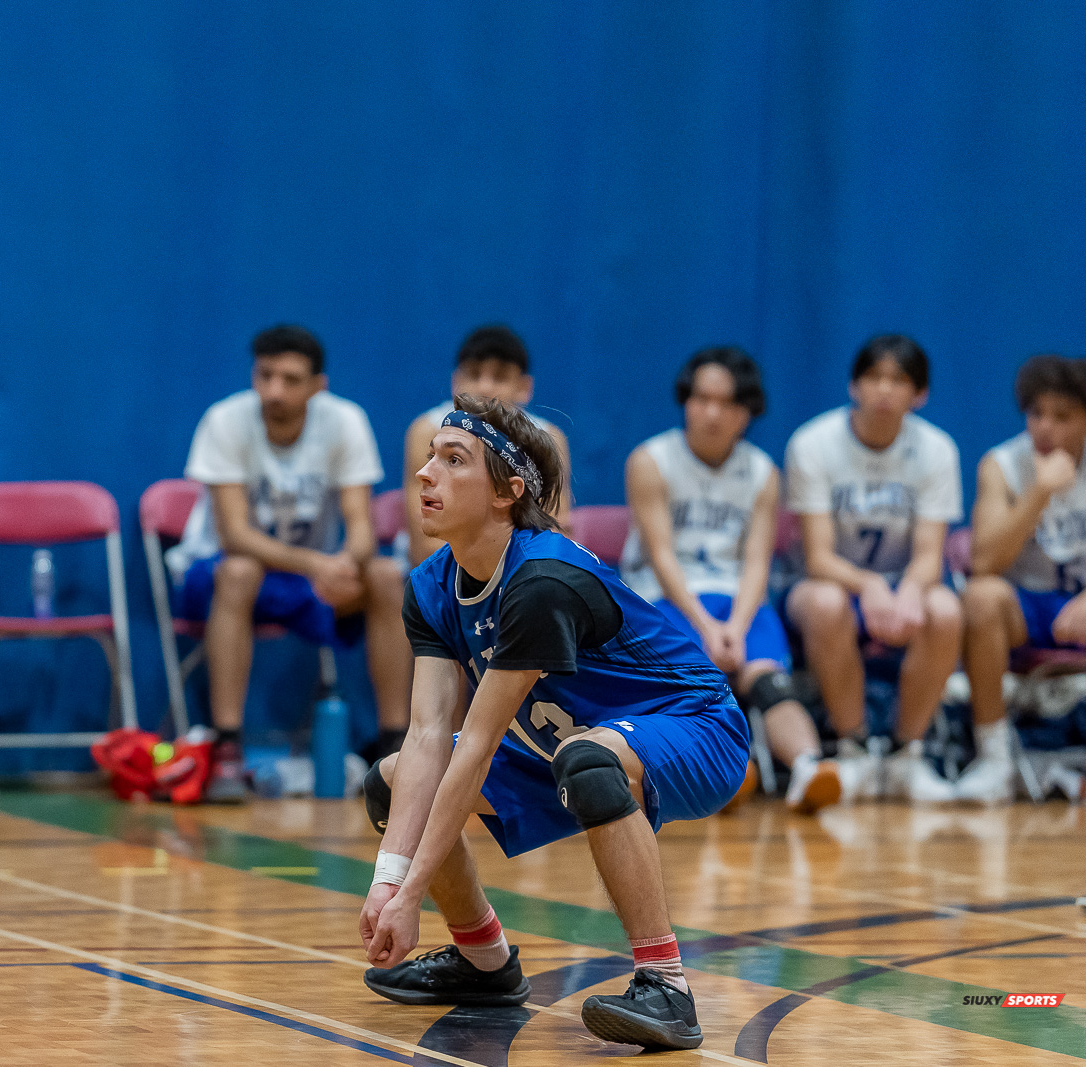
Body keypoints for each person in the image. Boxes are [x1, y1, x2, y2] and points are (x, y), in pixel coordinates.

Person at [358, 393, 749, 1052]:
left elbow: (475, 746)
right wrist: (388, 881)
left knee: (588, 762)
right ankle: (484, 960)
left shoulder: (541, 577)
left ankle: (666, 985)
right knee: (395, 779)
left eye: (453, 459)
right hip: (558, 745)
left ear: (507, 492)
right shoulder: (429, 584)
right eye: (428, 456)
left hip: (695, 726)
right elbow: (428, 736)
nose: (426, 473)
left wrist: (409, 892)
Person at [166, 324, 410, 803]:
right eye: (265, 376)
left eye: (290, 379)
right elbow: (235, 534)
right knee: (240, 571)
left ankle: (394, 748)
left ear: (318, 386)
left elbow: (361, 525)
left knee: (383, 575)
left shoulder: (345, 422)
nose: (274, 390)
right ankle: (229, 746)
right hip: (214, 574)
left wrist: (344, 563)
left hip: (307, 578)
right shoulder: (226, 420)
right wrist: (317, 566)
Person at [623, 347, 839, 813]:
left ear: (747, 412)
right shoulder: (651, 460)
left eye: (725, 403)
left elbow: (757, 562)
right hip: (666, 597)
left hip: (737, 600)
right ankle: (720, 769)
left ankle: (806, 768)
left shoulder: (762, 472)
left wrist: (737, 627)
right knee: (697, 676)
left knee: (766, 677)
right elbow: (661, 555)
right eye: (701, 399)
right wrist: (705, 627)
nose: (710, 413)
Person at [783, 334, 962, 803]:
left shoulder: (937, 449)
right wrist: (871, 586)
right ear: (853, 386)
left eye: (899, 380)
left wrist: (907, 592)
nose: (885, 389)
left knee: (945, 610)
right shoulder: (813, 443)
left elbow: (930, 554)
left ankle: (907, 755)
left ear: (919, 394)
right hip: (827, 585)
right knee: (825, 602)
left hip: (902, 586)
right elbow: (818, 557)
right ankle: (854, 747)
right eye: (874, 377)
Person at [959, 355, 1086, 803]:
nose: (1044, 427)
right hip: (1028, 607)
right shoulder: (1001, 464)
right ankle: (994, 756)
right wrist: (1039, 492)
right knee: (981, 596)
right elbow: (984, 561)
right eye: (1036, 414)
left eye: (1062, 416)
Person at [403, 325, 571, 568]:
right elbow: (423, 545)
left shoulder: (549, 438)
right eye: (473, 374)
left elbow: (553, 534)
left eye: (500, 376)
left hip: (522, 573)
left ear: (525, 387)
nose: (484, 388)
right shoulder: (427, 431)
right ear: (455, 382)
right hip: (441, 568)